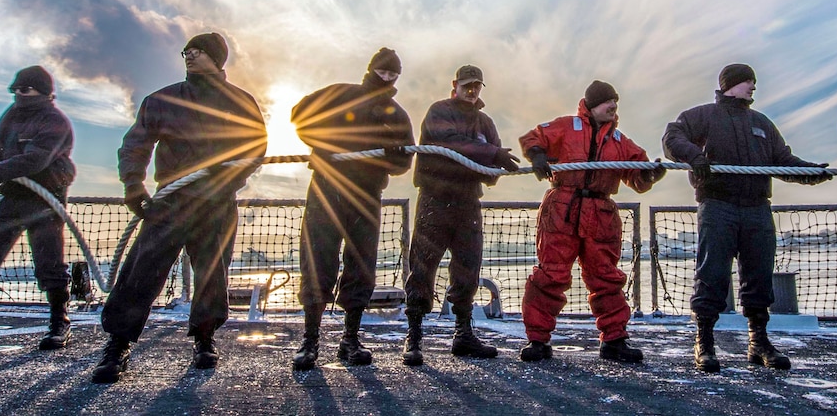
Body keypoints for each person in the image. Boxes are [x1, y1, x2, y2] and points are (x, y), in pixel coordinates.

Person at [92, 33, 267, 383]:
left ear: (217, 58)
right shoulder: (161, 100)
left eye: (198, 51)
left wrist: (227, 176)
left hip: (216, 202)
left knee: (211, 274)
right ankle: (118, 343)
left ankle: (205, 338)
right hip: (170, 202)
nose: (189, 55)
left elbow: (256, 147)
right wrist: (133, 185)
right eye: (187, 50)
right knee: (142, 270)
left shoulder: (240, 102)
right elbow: (136, 144)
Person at [662, 64, 830, 373]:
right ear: (731, 84)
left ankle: (759, 342)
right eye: (748, 82)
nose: (753, 87)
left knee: (759, 275)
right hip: (718, 205)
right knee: (712, 273)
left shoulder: (762, 123)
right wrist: (696, 158)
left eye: (753, 82)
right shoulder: (703, 116)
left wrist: (811, 172)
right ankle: (705, 341)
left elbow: (783, 160)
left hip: (757, 207)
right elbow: (673, 136)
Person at [518, 80, 665, 364]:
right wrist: (537, 155)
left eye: (615, 103)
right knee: (550, 275)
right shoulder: (565, 126)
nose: (613, 106)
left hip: (600, 213)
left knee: (606, 277)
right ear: (592, 104)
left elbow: (637, 174)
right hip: (563, 209)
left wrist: (649, 174)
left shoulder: (621, 142)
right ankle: (537, 340)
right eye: (608, 101)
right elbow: (533, 137)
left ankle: (614, 340)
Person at [289, 47, 415, 369]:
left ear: (397, 77)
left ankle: (350, 338)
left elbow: (403, 161)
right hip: (327, 188)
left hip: (367, 193)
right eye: (382, 71)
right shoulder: (339, 94)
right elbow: (298, 115)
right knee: (318, 258)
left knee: (361, 263)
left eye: (392, 74)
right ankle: (310, 339)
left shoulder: (398, 116)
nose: (385, 77)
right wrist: (329, 144)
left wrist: (389, 153)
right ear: (370, 68)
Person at [401, 64, 519, 366]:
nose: (471, 90)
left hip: (468, 202)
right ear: (455, 85)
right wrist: (490, 155)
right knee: (423, 266)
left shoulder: (486, 122)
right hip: (434, 200)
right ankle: (414, 335)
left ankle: (463, 333)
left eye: (476, 86)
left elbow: (491, 168)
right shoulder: (438, 111)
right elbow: (449, 144)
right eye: (466, 85)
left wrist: (494, 162)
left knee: (469, 265)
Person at [0, 66, 76, 352]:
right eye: (14, 90)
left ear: (43, 92)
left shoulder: (55, 121)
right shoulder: (10, 116)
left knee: (49, 264)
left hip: (45, 201)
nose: (18, 95)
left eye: (24, 90)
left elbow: (34, 161)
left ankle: (59, 322)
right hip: (13, 198)